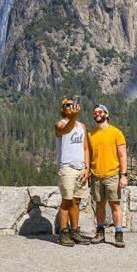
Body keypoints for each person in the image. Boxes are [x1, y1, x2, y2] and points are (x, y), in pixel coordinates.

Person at [87, 104, 127, 248]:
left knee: (115, 205)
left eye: (100, 112)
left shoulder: (116, 132)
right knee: (99, 206)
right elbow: (89, 155)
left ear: (106, 114)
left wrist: (124, 175)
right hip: (96, 176)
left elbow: (122, 155)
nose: (97, 114)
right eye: (95, 112)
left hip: (112, 175)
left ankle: (119, 234)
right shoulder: (90, 134)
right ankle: (100, 233)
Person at [54, 98, 90, 247]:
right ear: (62, 110)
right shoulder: (60, 124)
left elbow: (85, 148)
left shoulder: (82, 126)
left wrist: (87, 168)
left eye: (72, 104)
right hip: (67, 167)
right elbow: (66, 130)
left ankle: (75, 231)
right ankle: (63, 232)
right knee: (67, 200)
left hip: (80, 168)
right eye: (67, 105)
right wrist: (74, 116)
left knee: (76, 201)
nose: (70, 107)